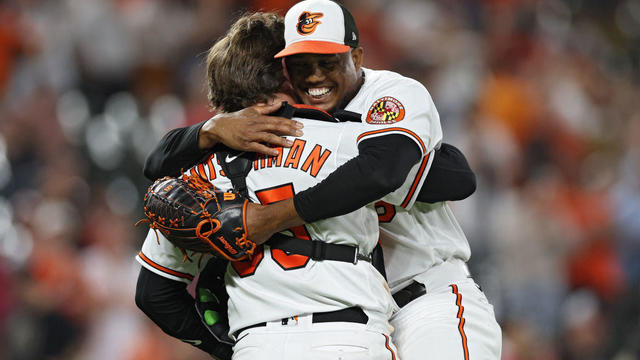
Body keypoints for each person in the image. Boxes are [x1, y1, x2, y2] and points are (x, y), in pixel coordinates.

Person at [144, 1, 502, 359]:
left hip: (425, 296)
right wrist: (209, 130)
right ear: (283, 73)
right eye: (300, 65)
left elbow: (449, 176)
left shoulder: (384, 95)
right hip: (359, 321)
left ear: (357, 58)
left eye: (326, 61)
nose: (314, 76)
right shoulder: (318, 135)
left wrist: (267, 218)